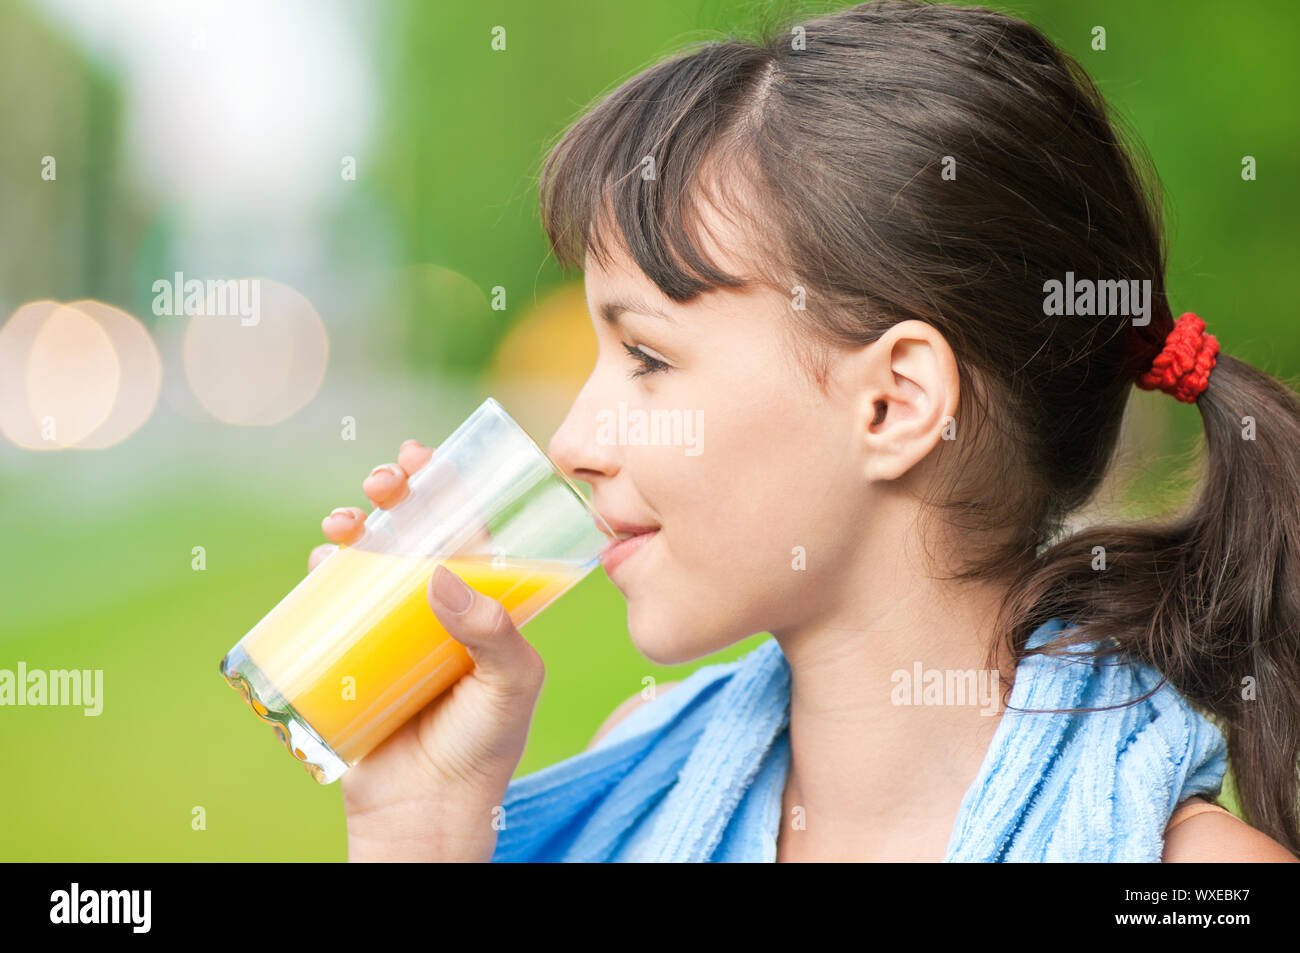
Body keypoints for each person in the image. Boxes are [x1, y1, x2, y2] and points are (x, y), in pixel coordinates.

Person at [317, 0, 1300, 861]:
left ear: (893, 403)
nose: (571, 439)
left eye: (648, 358)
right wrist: (422, 827)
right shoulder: (636, 769)